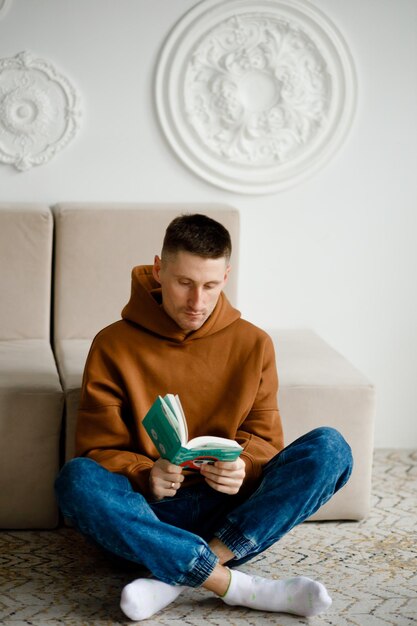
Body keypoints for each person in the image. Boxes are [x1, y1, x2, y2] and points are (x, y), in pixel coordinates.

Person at [55, 213, 353, 621]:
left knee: (331, 449)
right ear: (159, 270)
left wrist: (242, 469)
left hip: (230, 517)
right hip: (148, 514)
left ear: (226, 276)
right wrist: (147, 475)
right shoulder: (112, 344)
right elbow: (95, 450)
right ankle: (237, 586)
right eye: (184, 283)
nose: (197, 302)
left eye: (211, 286)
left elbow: (266, 442)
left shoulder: (254, 343)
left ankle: (175, 577)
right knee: (75, 480)